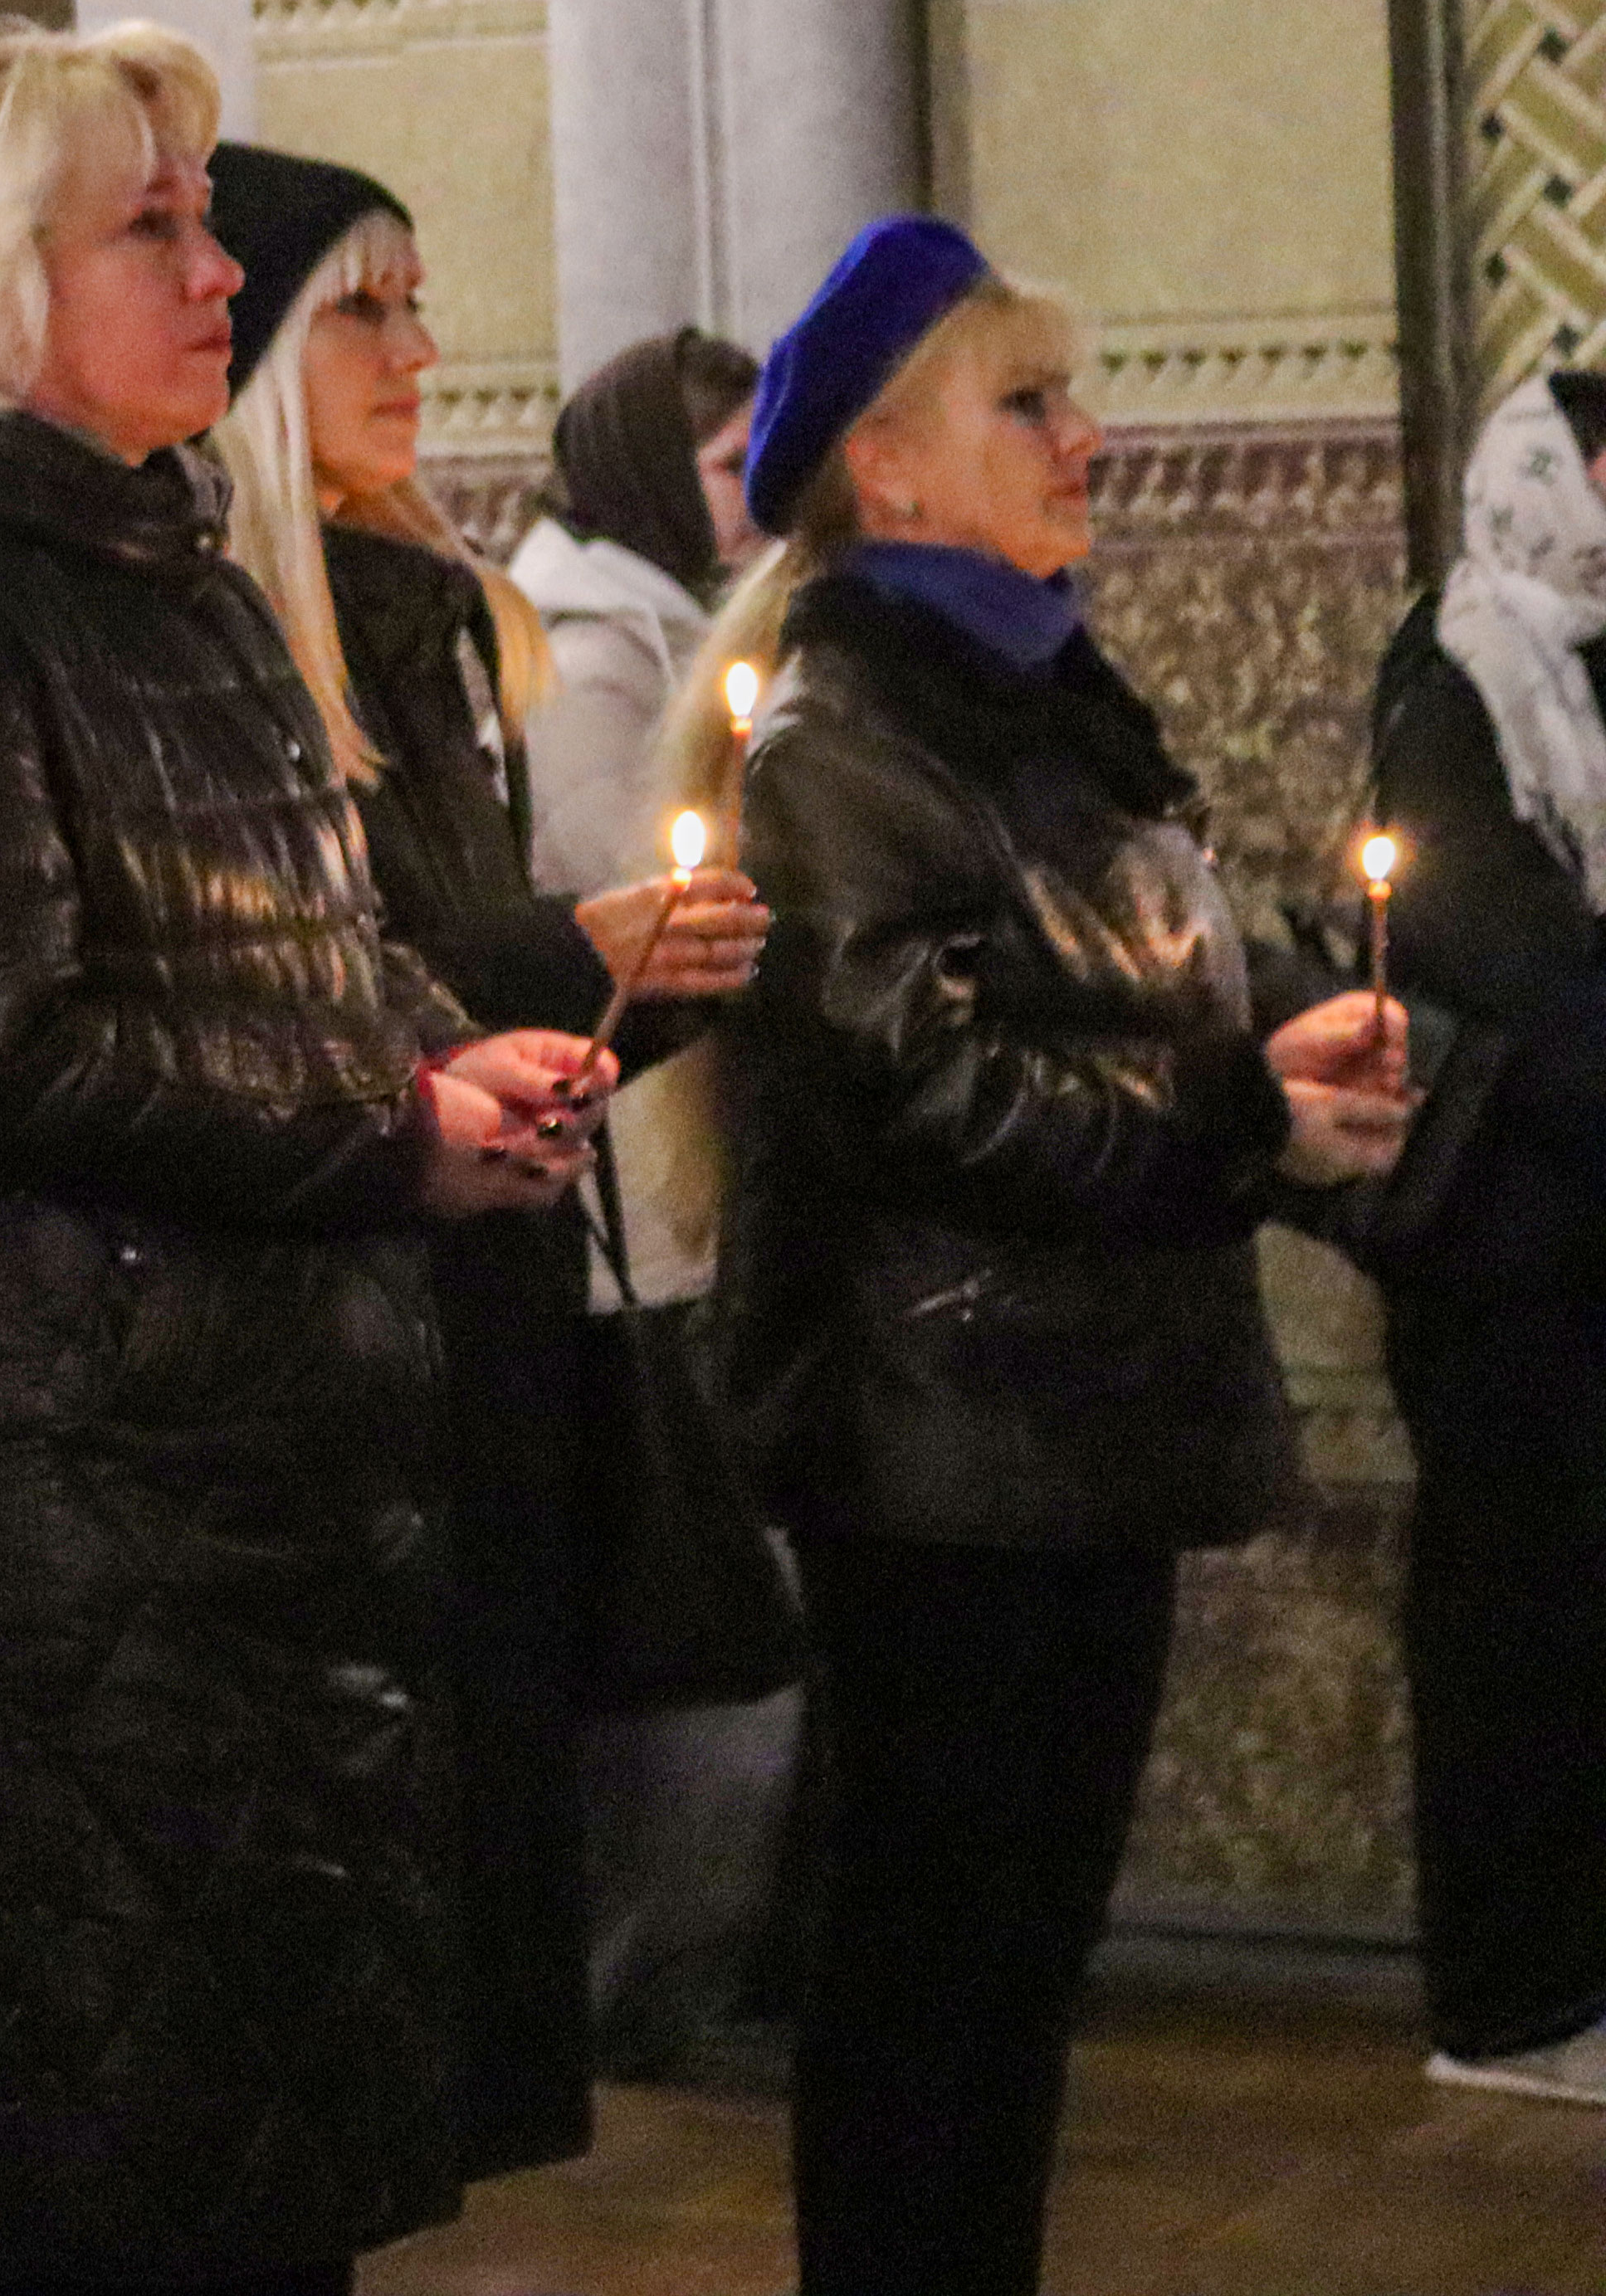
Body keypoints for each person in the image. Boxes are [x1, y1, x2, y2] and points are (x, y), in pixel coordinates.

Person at [0, 19, 608, 2296]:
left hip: (252, 1495)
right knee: (106, 2189)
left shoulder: (165, 569)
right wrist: (385, 1133)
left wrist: (454, 1060)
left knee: (253, 2182)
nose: (223, 269)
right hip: (65, 1523)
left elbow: (316, 943)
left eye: (204, 217)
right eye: (156, 224)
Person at [689, 215, 1409, 2296]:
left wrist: (1282, 1040)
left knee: (1019, 1965)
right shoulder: (845, 730)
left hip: (1074, 1408)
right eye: (1030, 401)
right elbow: (917, 1084)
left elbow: (1129, 985)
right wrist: (1230, 1114)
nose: (1085, 438)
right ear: (887, 467)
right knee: (931, 1968)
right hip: (939, 1436)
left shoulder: (1040, 699)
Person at [198, 149, 769, 2186]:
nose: (419, 351)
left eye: (423, 304)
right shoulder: (230, 627)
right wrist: (578, 954)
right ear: (260, 346)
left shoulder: (437, 613)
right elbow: (325, 985)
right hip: (342, 1323)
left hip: (486, 1289)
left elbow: (446, 948)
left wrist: (652, 984)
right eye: (366, 309)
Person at [500, 324, 800, 2082]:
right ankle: (632, 1982)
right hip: (614, 1178)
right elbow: (628, 907)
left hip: (682, 1167)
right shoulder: (585, 641)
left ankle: (682, 1968)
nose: (751, 494)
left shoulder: (677, 615)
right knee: (672, 1621)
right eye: (718, 464)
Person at [1356, 367, 1606, 2107]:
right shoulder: (1461, 670)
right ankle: (1510, 1995)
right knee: (1520, 1612)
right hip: (1513, 1246)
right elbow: (1500, 955)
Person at [510, 326, 763, 906]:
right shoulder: (579, 677)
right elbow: (640, 894)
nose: (764, 497)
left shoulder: (686, 628)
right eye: (736, 466)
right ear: (654, 479)